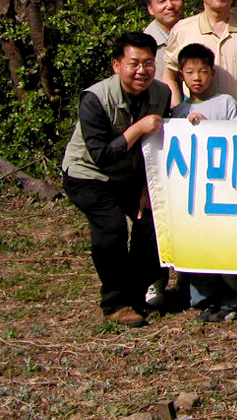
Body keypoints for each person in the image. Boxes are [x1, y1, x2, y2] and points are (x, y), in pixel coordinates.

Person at [62, 32, 171, 327]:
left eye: (148, 63)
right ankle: (114, 303)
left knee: (153, 224)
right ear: (116, 65)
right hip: (88, 173)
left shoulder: (162, 94)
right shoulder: (94, 98)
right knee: (112, 228)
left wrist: (147, 188)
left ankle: (135, 295)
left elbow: (159, 145)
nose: (142, 71)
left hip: (131, 174)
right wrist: (137, 128)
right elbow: (102, 156)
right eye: (134, 63)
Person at [168, 43, 237, 322]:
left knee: (228, 243)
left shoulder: (226, 103)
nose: (197, 78)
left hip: (223, 188)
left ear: (212, 73)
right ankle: (204, 299)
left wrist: (209, 127)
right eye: (190, 72)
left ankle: (234, 298)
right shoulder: (177, 111)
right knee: (198, 242)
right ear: (181, 75)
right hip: (193, 191)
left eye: (202, 71)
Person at [143, 0, 184, 78]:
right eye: (162, 1)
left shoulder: (196, 33)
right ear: (150, 9)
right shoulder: (142, 46)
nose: (170, 6)